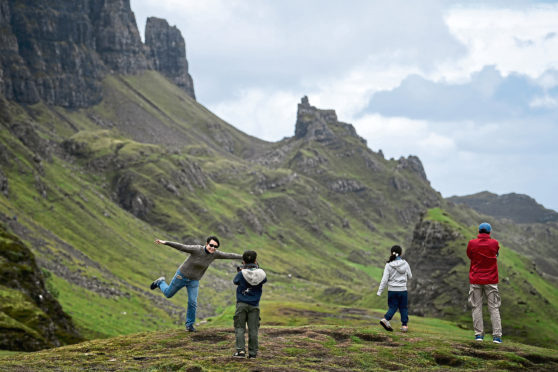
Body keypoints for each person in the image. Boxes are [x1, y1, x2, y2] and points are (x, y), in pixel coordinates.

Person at [150, 236, 242, 332]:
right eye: (211, 245)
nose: (213, 248)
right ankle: (160, 282)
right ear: (206, 244)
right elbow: (181, 247)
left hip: (194, 281)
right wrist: (165, 242)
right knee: (168, 294)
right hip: (181, 276)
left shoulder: (215, 254)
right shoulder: (197, 249)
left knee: (192, 302)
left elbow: (229, 255)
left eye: (215, 246)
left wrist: (244, 257)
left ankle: (189, 325)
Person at [467, 222, 502, 343]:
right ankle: (497, 336)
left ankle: (479, 335)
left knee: (476, 307)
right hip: (491, 280)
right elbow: (496, 253)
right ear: (489, 232)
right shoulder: (495, 243)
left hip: (476, 278)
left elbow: (470, 255)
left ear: (479, 231)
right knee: (494, 307)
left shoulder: (472, 243)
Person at [232, 250, 267, 359]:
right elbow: (264, 280)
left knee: (240, 328)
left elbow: (235, 281)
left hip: (242, 304)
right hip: (254, 305)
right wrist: (256, 268)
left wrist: (242, 270)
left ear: (243, 261)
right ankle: (253, 354)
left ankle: (241, 351)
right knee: (253, 329)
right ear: (256, 260)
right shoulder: (261, 273)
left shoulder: (241, 273)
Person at [377, 245, 413, 333]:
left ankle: (386, 319)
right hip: (403, 290)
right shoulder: (405, 263)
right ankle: (404, 326)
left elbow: (384, 279)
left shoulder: (388, 265)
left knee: (393, 306)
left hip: (392, 290)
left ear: (391, 253)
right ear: (401, 253)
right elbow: (410, 276)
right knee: (403, 308)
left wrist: (380, 291)